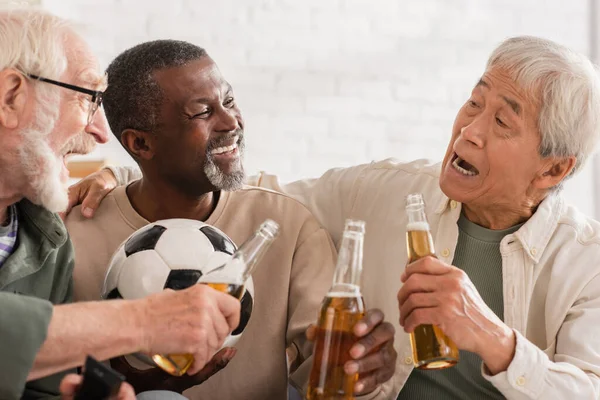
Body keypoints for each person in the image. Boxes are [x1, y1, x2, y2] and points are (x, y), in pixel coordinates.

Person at [76, 35, 600, 399]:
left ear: (553, 169)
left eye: (502, 122)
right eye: (473, 103)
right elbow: (250, 191)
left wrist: (493, 338)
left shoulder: (587, 260)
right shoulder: (383, 191)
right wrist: (121, 178)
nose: (470, 130)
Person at [64, 39, 397, 400]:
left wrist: (360, 373)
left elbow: (331, 371)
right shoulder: (74, 233)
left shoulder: (288, 225)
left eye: (229, 101)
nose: (230, 121)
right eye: (202, 112)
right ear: (141, 144)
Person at [0, 8, 240, 400]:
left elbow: (38, 387)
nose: (99, 133)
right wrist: (142, 321)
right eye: (88, 99)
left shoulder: (49, 236)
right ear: (11, 96)